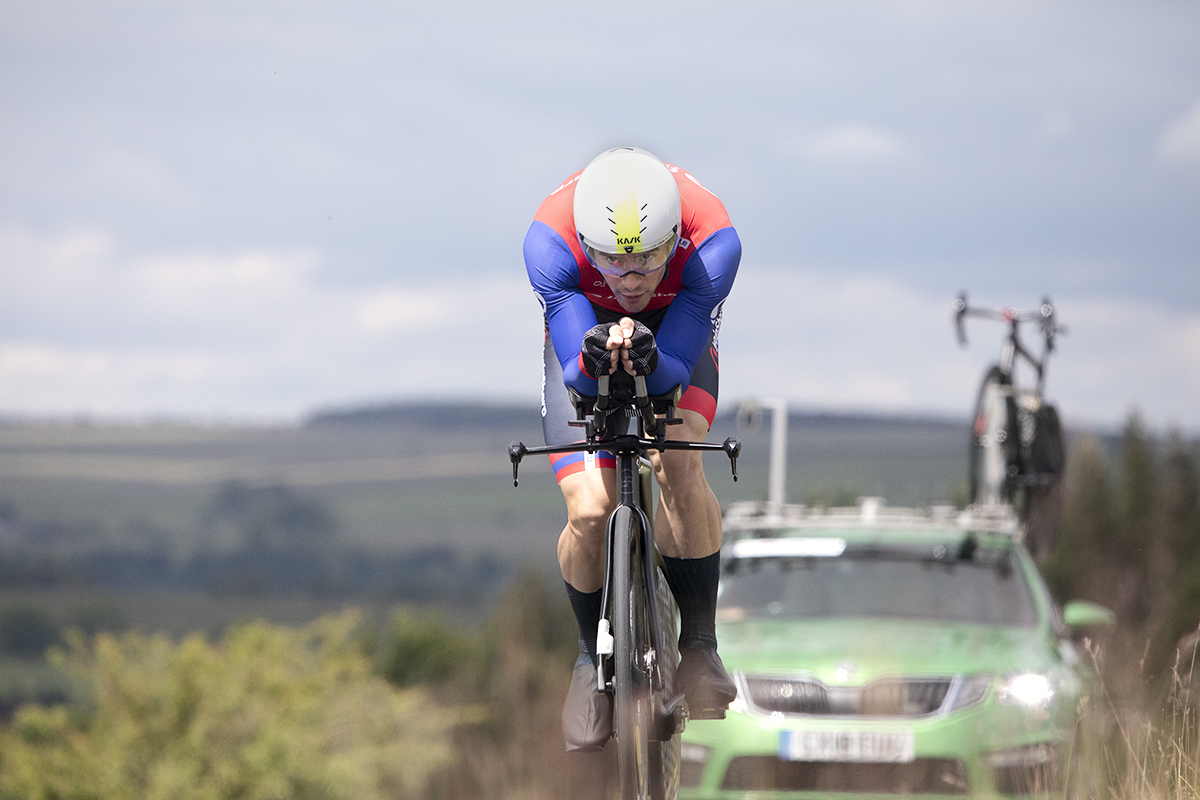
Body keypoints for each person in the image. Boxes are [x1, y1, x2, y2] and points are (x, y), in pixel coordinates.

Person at [523, 146, 741, 752]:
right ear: (585, 246)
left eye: (648, 259)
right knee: (589, 510)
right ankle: (588, 658)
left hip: (678, 326)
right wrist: (595, 356)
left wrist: (655, 354)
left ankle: (698, 644)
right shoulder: (550, 243)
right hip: (581, 325)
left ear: (674, 238)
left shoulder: (712, 242)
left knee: (679, 457)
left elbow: (672, 368)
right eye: (614, 262)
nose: (632, 277)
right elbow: (576, 374)